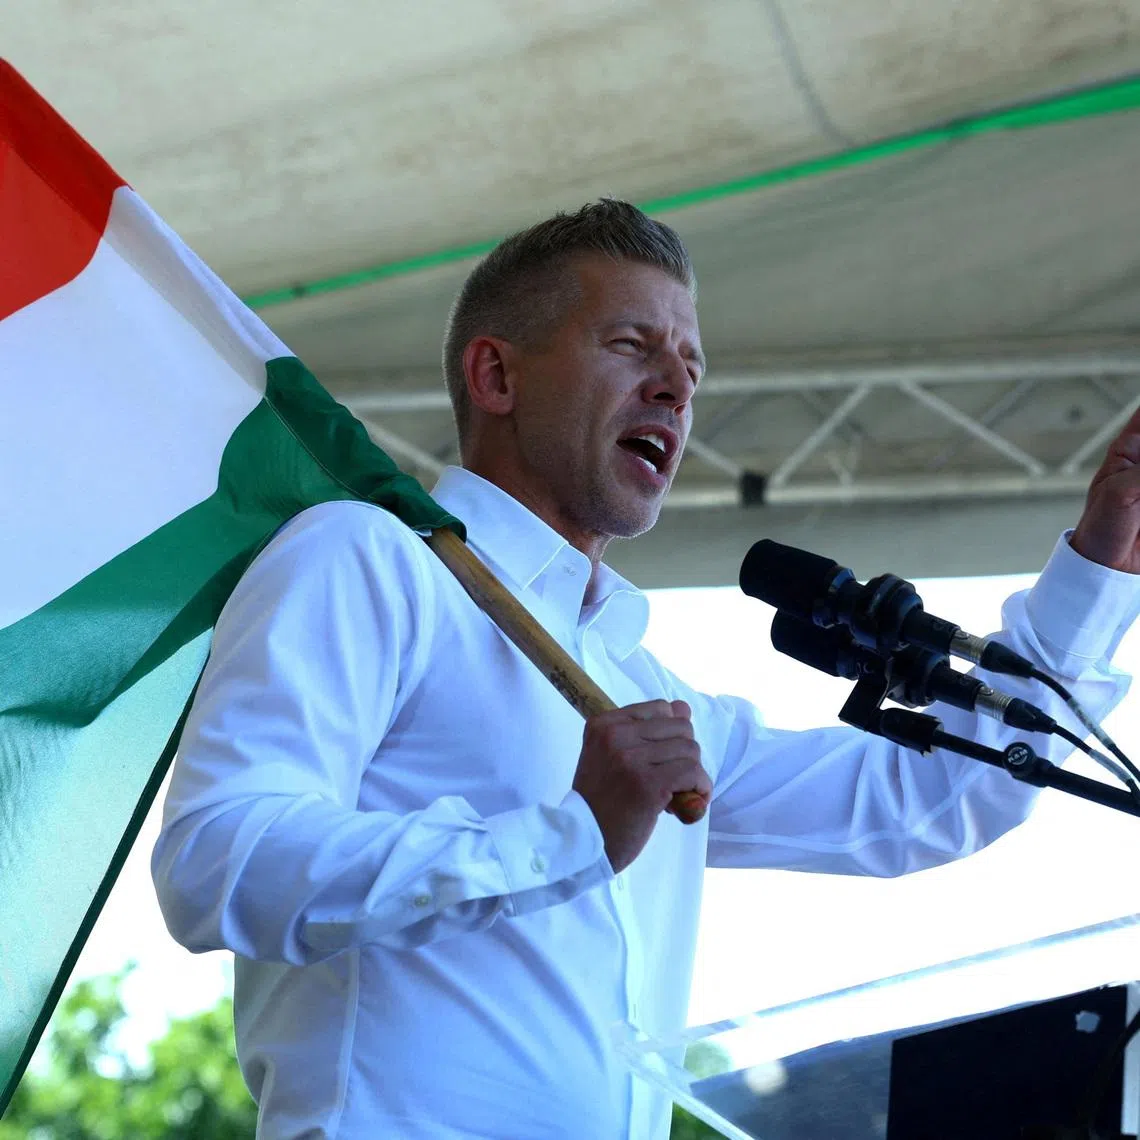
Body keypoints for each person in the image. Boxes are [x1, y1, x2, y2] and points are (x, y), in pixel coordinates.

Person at [152, 200, 1140, 1140]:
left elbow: (927, 796)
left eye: (691, 368)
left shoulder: (647, 695)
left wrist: (1104, 563)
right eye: (630, 346)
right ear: (494, 377)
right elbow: (218, 860)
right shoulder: (369, 559)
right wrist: (568, 833)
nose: (675, 386)